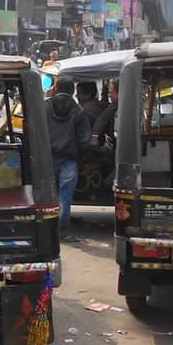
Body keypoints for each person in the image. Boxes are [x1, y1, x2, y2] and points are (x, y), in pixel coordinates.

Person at [45, 79, 91, 239]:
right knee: (65, 196)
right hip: (69, 159)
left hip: (47, 157)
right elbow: (84, 140)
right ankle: (61, 233)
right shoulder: (78, 110)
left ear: (56, 88)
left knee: (47, 195)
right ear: (72, 91)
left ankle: (46, 232)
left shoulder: (45, 106)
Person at [92, 79, 119, 149]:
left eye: (111, 92)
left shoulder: (116, 106)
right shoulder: (114, 105)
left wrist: (94, 138)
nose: (110, 95)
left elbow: (102, 119)